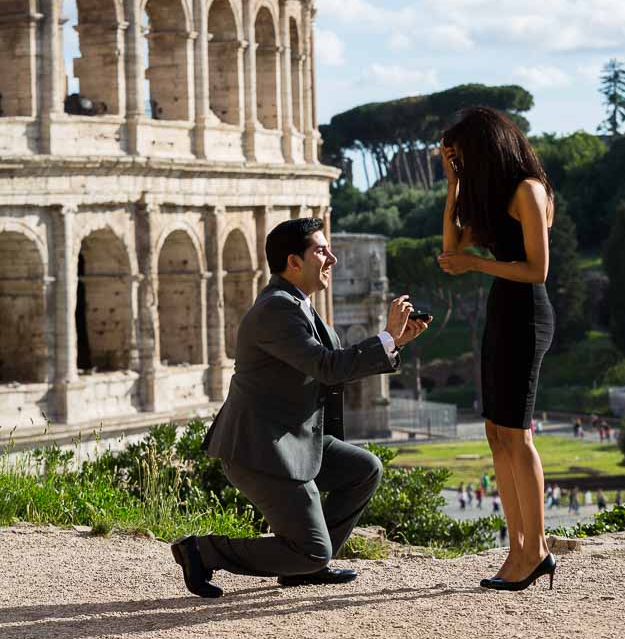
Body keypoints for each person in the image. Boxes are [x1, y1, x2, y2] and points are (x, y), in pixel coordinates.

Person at [170, 217, 431, 598]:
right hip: (261, 449)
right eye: (321, 251)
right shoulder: (277, 310)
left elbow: (331, 364)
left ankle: (304, 566)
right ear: (294, 262)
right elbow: (327, 367)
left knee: (364, 470)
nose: (332, 258)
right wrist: (386, 336)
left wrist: (395, 343)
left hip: (292, 439)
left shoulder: (299, 305)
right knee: (310, 550)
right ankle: (202, 550)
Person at [438, 108, 557, 592]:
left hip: (527, 314)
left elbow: (537, 270)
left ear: (485, 148)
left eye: (461, 156)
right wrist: (452, 187)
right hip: (501, 314)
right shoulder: (487, 195)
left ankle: (539, 550)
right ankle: (516, 550)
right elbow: (450, 255)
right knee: (496, 433)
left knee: (519, 435)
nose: (459, 164)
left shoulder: (529, 190)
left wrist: (477, 263)